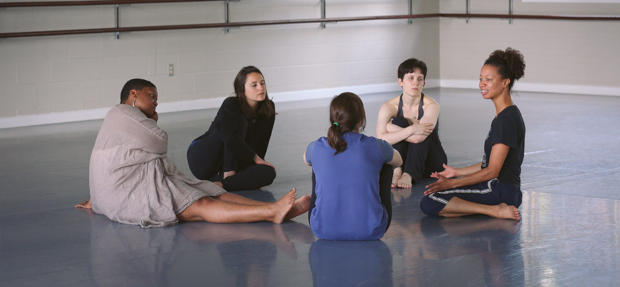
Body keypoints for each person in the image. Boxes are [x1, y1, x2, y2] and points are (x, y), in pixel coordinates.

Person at [76, 78, 309, 227]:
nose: (156, 103)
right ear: (134, 94)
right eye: (152, 96)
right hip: (129, 190)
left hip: (122, 185)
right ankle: (271, 212)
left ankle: (274, 210)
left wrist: (98, 198)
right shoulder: (124, 112)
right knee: (202, 206)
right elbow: (160, 142)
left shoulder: (125, 117)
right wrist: (154, 120)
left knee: (208, 189)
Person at [420, 48, 526, 221]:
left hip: (499, 188)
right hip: (505, 189)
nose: (482, 84)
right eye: (481, 79)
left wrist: (452, 183)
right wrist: (456, 172)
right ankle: (493, 208)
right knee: (438, 197)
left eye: (489, 79)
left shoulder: (506, 120)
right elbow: (489, 163)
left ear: (505, 82)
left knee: (431, 200)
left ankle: (494, 210)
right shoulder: (506, 115)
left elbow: (492, 171)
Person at [304, 92, 403, 240]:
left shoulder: (317, 145)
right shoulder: (376, 145)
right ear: (361, 120)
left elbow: (306, 160)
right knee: (385, 163)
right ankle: (371, 216)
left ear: (333, 119)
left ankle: (324, 213)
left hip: (322, 230)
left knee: (315, 163)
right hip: (371, 231)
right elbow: (399, 161)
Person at [187, 66, 277, 191]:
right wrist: (254, 158)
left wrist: (257, 164)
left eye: (262, 83)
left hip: (230, 161)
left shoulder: (268, 109)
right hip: (203, 158)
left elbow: (262, 143)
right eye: (254, 85)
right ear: (242, 89)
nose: (261, 88)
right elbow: (230, 139)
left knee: (269, 172)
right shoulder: (231, 104)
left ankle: (222, 184)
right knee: (241, 121)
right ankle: (229, 174)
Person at [376, 58, 448, 189]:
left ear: (424, 83)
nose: (415, 82)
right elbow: (380, 139)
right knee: (401, 121)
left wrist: (390, 127)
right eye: (411, 78)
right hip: (403, 158)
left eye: (419, 79)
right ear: (400, 82)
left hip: (430, 163)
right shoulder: (389, 106)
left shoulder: (431, 105)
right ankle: (397, 169)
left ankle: (409, 174)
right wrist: (412, 129)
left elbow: (417, 139)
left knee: (424, 130)